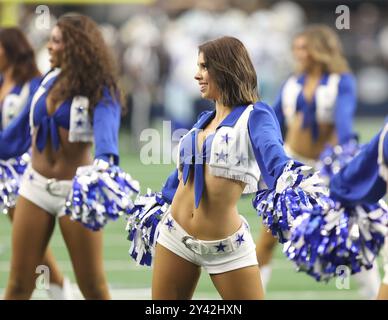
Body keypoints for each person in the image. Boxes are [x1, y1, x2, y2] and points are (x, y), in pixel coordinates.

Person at [126, 36, 328, 300]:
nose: (197, 75)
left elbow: (274, 157)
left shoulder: (255, 115)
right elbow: (182, 177)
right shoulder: (203, 120)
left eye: (204, 67)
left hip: (225, 247)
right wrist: (160, 203)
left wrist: (294, 180)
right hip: (174, 236)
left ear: (225, 69)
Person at [0, 14, 131, 300]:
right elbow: (16, 135)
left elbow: (107, 131)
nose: (48, 46)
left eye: (56, 41)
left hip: (75, 193)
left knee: (93, 287)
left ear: (76, 46)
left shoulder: (100, 88)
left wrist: (106, 161)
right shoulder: (47, 81)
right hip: (34, 187)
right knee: (19, 285)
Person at [255, 24, 380, 299]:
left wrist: (345, 157)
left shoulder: (341, 81)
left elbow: (345, 124)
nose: (298, 53)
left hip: (328, 169)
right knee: (267, 238)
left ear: (319, 50)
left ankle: (373, 295)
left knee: (352, 235)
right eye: (296, 48)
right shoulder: (292, 83)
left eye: (304, 48)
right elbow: (273, 122)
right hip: (293, 170)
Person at [0, 27, 72, 299]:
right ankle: (58, 288)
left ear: (11, 50)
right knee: (30, 245)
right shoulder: (1, 79)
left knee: (30, 244)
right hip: (3, 169)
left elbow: (21, 134)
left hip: (24, 170)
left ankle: (59, 289)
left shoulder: (35, 83)